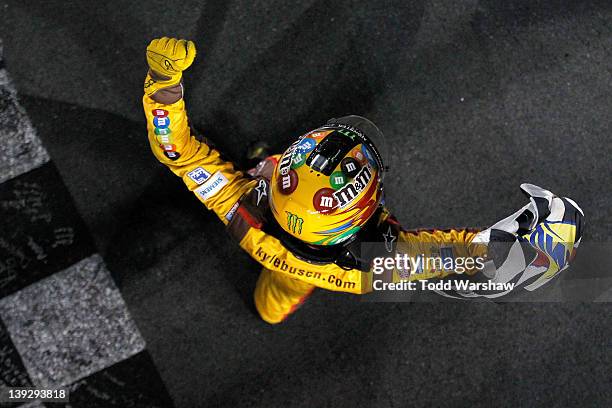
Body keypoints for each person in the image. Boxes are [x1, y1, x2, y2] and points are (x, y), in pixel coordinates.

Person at [142, 38, 584, 324]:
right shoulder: (374, 267)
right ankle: (268, 312)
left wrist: (164, 86)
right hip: (311, 272)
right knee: (276, 300)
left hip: (267, 245)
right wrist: (539, 250)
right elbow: (458, 259)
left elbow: (177, 151)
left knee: (278, 266)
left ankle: (270, 298)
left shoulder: (236, 204)